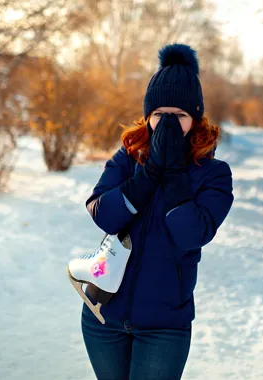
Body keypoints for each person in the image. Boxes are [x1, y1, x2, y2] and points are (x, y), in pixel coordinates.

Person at [81, 43, 234, 380]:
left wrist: (175, 172)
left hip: (164, 327)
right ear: (147, 116)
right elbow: (103, 214)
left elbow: (192, 234)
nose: (167, 124)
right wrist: (148, 174)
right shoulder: (129, 156)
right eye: (159, 115)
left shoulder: (213, 174)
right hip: (103, 316)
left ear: (194, 120)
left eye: (178, 116)